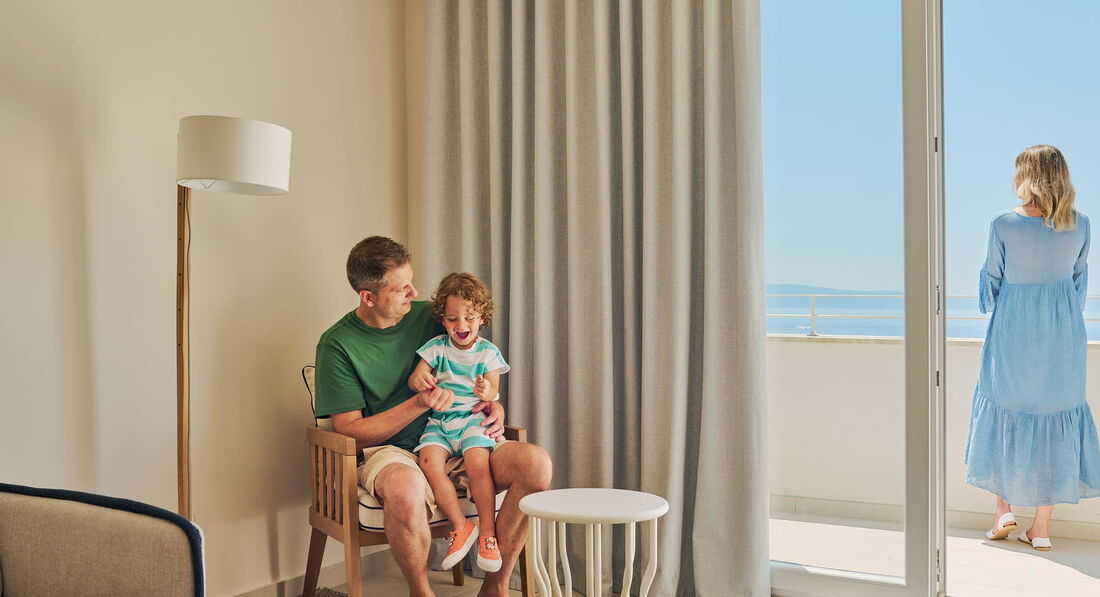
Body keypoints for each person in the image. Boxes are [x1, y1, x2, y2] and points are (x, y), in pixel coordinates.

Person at [314, 236, 551, 597]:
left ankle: (495, 587)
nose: (414, 293)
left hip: (462, 432)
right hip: (391, 452)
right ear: (368, 297)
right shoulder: (337, 345)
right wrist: (419, 402)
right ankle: (421, 592)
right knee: (405, 489)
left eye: (411, 282)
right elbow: (350, 432)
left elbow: (473, 361)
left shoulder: (434, 315)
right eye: (402, 289)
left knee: (536, 464)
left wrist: (494, 403)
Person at [966, 145, 1100, 551]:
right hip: (1063, 334)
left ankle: (1003, 510)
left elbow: (992, 282)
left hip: (1013, 329)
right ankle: (1041, 529)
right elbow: (1077, 282)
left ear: (1026, 175)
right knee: (1055, 418)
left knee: (1003, 407)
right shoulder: (1080, 224)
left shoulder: (1003, 223)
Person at [409, 273, 509, 573]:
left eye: (469, 318)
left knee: (478, 465)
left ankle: (488, 535)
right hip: (440, 422)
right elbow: (415, 378)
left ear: (482, 317)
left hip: (472, 421)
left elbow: (493, 390)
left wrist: (485, 390)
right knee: (428, 462)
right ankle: (461, 526)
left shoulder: (487, 352)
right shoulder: (436, 348)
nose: (461, 325)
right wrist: (421, 379)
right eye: (452, 319)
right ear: (443, 319)